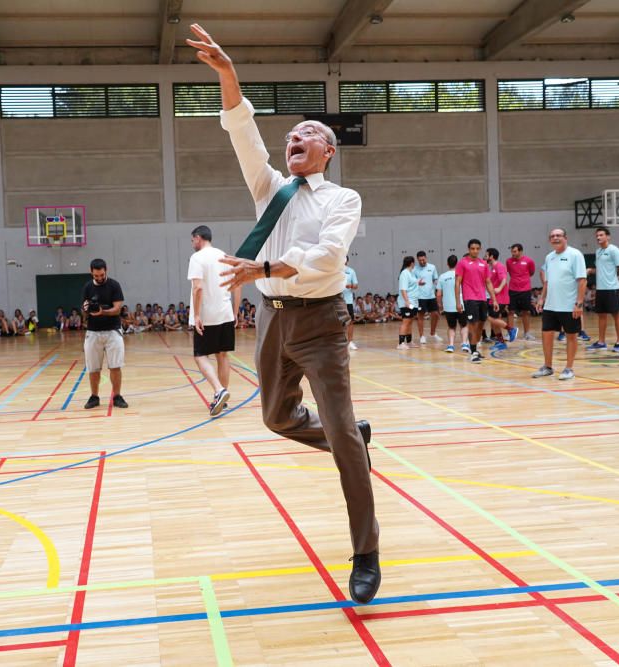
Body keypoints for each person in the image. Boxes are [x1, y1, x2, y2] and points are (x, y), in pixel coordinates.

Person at [189, 23, 379, 604]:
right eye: (293, 132)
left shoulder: (343, 199)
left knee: (343, 436)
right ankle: (349, 437)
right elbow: (243, 134)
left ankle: (366, 552)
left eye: (310, 132)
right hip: (272, 319)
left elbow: (328, 257)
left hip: (322, 320)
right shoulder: (270, 188)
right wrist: (229, 76)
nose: (297, 135)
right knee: (274, 418)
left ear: (329, 150)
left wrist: (266, 269)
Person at [188, 225, 240, 416]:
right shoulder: (224, 256)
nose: (192, 243)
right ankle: (222, 399)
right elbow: (237, 284)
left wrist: (197, 315)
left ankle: (219, 390)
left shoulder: (197, 258)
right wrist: (235, 312)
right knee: (222, 355)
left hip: (207, 315)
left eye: (193, 240)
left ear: (198, 238)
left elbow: (197, 288)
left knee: (200, 355)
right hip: (225, 313)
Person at [533, 228, 586, 380]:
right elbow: (548, 282)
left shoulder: (575, 255)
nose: (555, 238)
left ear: (565, 238)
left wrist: (579, 304)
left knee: (571, 336)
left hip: (569, 305)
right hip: (551, 305)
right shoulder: (549, 257)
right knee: (547, 334)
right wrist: (542, 298)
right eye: (552, 236)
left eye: (558, 235)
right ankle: (548, 367)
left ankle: (569, 368)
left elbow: (582, 280)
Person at [81, 258, 127, 409]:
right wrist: (86, 308)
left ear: (106, 270)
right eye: (96, 276)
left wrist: (102, 312)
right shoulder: (87, 287)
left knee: (115, 366)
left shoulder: (114, 285)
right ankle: (94, 397)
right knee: (93, 368)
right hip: (93, 332)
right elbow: (84, 310)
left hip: (113, 330)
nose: (99, 278)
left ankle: (117, 396)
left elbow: (117, 309)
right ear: (91, 272)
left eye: (101, 275)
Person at [455, 239, 498, 363]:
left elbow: (488, 282)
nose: (475, 251)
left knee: (480, 325)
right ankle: (472, 351)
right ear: (469, 249)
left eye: (477, 248)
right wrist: (458, 302)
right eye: (472, 248)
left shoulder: (483, 264)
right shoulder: (462, 263)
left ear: (480, 249)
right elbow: (457, 283)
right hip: (469, 299)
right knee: (472, 325)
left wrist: (494, 299)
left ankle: (475, 349)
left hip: (482, 299)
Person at [587, 227, 619, 352]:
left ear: (608, 237)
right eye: (597, 235)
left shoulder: (614, 250)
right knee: (601, 315)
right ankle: (601, 342)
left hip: (612, 288)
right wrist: (590, 270)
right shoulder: (598, 251)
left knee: (616, 314)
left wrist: (615, 280)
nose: (598, 237)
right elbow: (600, 269)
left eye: (601, 235)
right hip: (601, 289)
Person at [485, 248, 517, 350]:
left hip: (501, 298)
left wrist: (499, 288)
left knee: (490, 318)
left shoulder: (499, 266)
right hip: (493, 298)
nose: (485, 257)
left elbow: (504, 279)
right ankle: (501, 342)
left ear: (491, 256)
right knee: (493, 321)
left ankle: (511, 329)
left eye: (486, 255)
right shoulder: (490, 268)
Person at [437, 255, 469, 353]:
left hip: (448, 306)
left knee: (451, 327)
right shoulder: (462, 274)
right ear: (457, 264)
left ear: (447, 264)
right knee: (464, 325)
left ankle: (451, 345)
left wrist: (440, 305)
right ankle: (464, 344)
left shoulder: (442, 276)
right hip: (461, 305)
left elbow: (438, 294)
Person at [506, 244, 536, 341]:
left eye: (515, 251)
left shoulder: (529, 261)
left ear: (520, 251)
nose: (513, 253)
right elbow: (510, 272)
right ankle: (510, 333)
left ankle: (527, 333)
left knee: (526, 312)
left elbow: (531, 272)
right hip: (513, 289)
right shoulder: (509, 261)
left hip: (525, 289)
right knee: (510, 312)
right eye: (512, 251)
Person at [413, 250, 441, 344]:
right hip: (420, 297)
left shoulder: (432, 267)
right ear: (417, 260)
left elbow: (435, 279)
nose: (422, 262)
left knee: (436, 314)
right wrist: (418, 282)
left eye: (423, 260)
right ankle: (422, 336)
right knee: (420, 316)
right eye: (420, 260)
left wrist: (436, 284)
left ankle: (432, 333)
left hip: (431, 296)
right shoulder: (414, 269)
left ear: (426, 258)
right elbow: (412, 282)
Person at [397, 255, 420, 350]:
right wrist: (406, 301)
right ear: (412, 263)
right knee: (406, 321)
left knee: (410, 321)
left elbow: (412, 284)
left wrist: (419, 282)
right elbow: (403, 289)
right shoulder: (404, 273)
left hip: (413, 302)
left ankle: (409, 341)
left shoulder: (411, 273)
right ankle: (401, 343)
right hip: (407, 302)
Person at [342, 256, 359, 350]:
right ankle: (340, 342)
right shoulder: (334, 271)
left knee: (350, 321)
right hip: (337, 300)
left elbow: (356, 286)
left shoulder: (351, 271)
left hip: (348, 300)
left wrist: (350, 285)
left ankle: (350, 342)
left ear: (347, 261)